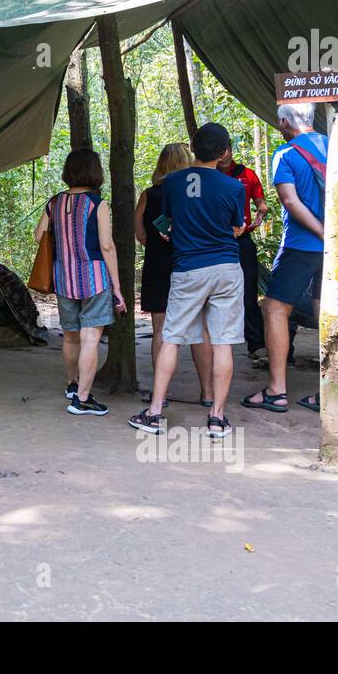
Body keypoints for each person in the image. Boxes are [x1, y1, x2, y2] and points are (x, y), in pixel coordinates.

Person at [243, 102, 338, 414]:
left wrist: (321, 232)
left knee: (274, 308)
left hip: (302, 246)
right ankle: (329, 390)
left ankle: (277, 390)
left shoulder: (286, 153)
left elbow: (290, 200)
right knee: (328, 313)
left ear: (285, 122)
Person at [129, 123, 246, 439]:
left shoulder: (172, 183)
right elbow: (236, 225)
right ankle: (217, 417)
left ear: (193, 148)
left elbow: (167, 223)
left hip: (187, 268)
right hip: (226, 268)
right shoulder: (234, 187)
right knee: (222, 341)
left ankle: (154, 412)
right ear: (224, 154)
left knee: (170, 337)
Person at [33, 148, 127, 417]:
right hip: (94, 279)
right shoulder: (98, 203)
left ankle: (71, 385)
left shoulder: (54, 202)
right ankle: (83, 399)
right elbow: (107, 246)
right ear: (95, 172)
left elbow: (39, 236)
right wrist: (117, 288)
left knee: (71, 336)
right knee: (90, 338)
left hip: (63, 279)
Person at [135, 142, 215, 406]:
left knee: (160, 330)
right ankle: (207, 392)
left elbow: (141, 234)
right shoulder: (197, 193)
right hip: (192, 264)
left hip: (158, 265)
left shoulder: (149, 195)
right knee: (199, 329)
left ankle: (162, 393)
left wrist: (159, 243)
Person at [218, 147, 269, 357]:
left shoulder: (247, 174)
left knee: (248, 292)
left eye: (225, 150)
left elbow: (261, 204)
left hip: (242, 239)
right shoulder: (208, 174)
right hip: (215, 241)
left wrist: (259, 215)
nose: (222, 155)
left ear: (230, 150)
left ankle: (256, 344)